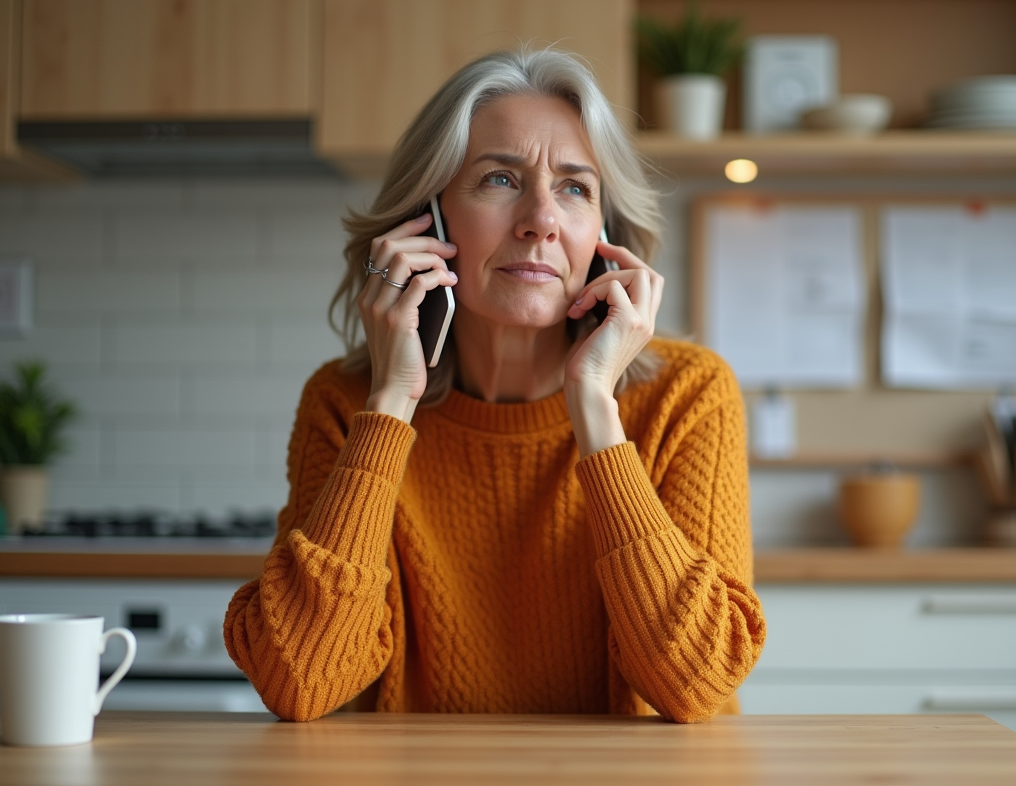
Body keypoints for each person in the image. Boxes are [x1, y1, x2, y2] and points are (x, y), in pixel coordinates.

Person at [223, 46, 766, 723]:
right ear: (426, 222)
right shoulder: (343, 402)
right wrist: (391, 402)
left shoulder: (688, 395)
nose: (542, 218)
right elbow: (297, 680)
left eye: (575, 187)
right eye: (500, 180)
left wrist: (595, 406)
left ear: (603, 235)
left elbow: (699, 682)